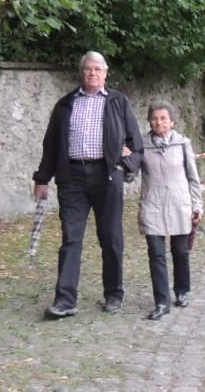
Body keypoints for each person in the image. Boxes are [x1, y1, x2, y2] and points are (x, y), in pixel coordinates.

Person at [32, 51, 143, 319]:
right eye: (88, 69)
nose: (92, 73)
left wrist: (124, 165)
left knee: (111, 237)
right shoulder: (65, 104)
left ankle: (114, 293)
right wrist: (42, 178)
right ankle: (65, 300)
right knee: (70, 239)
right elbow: (51, 145)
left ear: (105, 73)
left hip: (107, 176)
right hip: (72, 178)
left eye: (97, 69)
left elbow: (136, 144)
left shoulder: (118, 102)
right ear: (81, 72)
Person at [137, 101, 205, 320]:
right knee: (156, 253)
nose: (159, 122)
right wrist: (124, 157)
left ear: (172, 121)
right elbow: (129, 174)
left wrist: (197, 205)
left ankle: (182, 291)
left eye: (163, 118)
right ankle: (161, 301)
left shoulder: (182, 143)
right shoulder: (142, 145)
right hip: (153, 205)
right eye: (155, 118)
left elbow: (193, 178)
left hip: (179, 204)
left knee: (180, 252)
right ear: (149, 121)